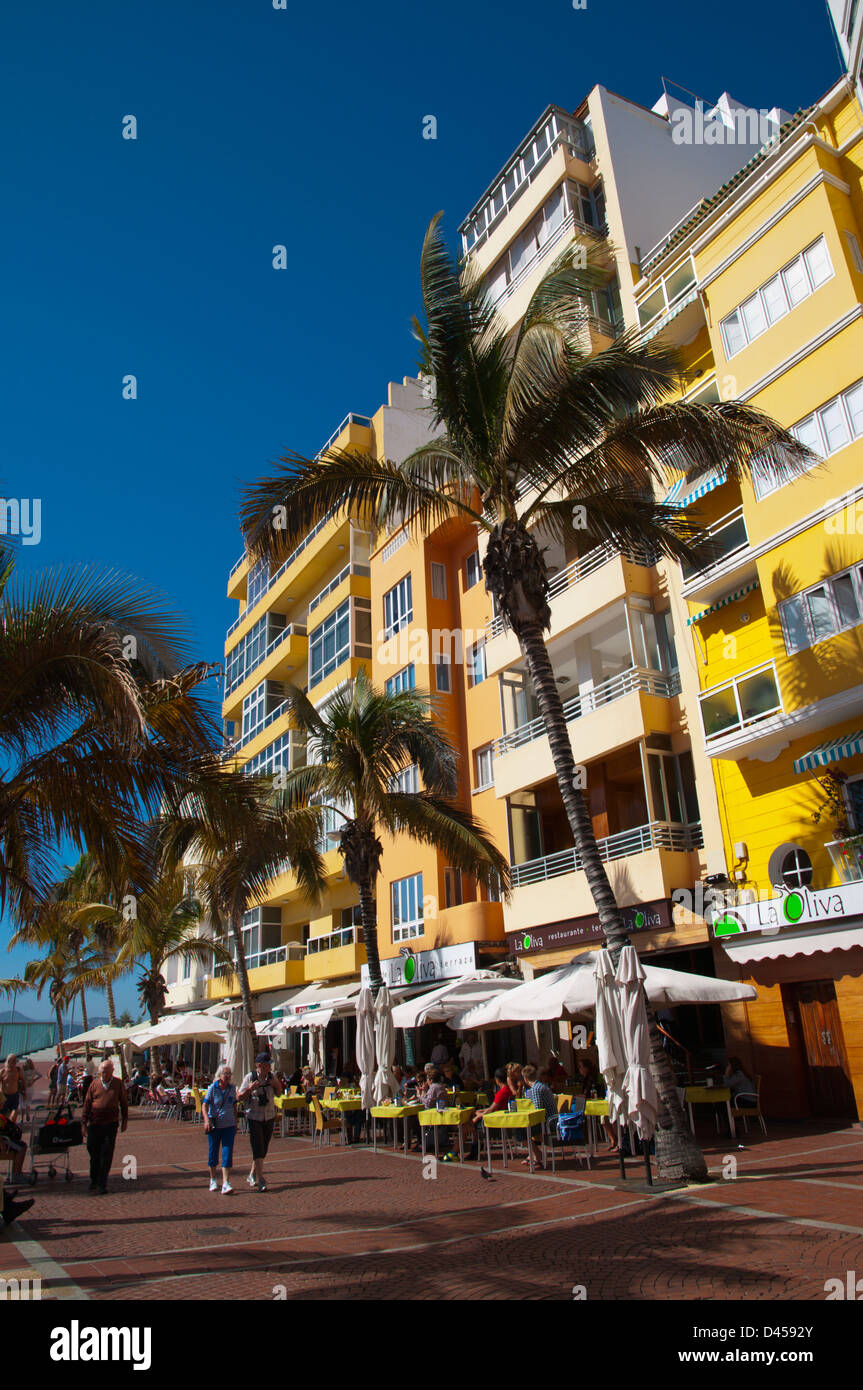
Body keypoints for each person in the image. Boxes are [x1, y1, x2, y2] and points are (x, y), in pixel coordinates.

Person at [81, 1058, 128, 1195]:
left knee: (106, 1154)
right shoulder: (94, 1084)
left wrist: (125, 1120)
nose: (104, 1075)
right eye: (102, 1072)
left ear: (112, 1071)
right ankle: (94, 1179)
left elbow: (123, 1102)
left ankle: (102, 1183)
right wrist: (83, 1123)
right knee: (93, 1152)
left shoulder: (118, 1084)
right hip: (94, 1124)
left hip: (110, 1124)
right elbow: (87, 1104)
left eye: (106, 1072)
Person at [237, 1053, 283, 1192]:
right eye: (267, 1064)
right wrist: (250, 1089)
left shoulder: (271, 1077)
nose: (269, 1066)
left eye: (270, 1064)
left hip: (268, 1116)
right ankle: (261, 1178)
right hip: (254, 1117)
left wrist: (276, 1085)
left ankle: (252, 1174)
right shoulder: (249, 1077)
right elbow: (239, 1097)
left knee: (263, 1148)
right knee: (257, 1147)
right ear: (259, 1065)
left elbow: (279, 1094)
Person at [465, 1067, 515, 1161]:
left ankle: (476, 1145)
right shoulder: (508, 1091)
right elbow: (494, 1108)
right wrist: (481, 1112)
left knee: (471, 1123)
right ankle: (477, 1145)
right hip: (502, 1119)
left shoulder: (501, 1093)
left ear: (497, 1080)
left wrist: (478, 1116)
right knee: (474, 1119)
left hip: (496, 1123)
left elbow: (491, 1110)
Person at [203, 1065, 237, 1194]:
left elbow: (233, 1105)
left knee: (227, 1153)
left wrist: (235, 1121)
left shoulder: (232, 1089)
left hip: (229, 1125)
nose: (228, 1076)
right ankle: (212, 1179)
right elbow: (204, 1105)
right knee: (213, 1152)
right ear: (220, 1075)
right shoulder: (213, 1088)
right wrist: (206, 1120)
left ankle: (226, 1182)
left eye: (229, 1074)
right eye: (225, 1074)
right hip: (215, 1126)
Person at [575, 1058, 616, 1150]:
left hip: (600, 1100)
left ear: (586, 1068)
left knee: (604, 1119)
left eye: (581, 1067)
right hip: (598, 1100)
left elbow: (586, 1092)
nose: (580, 1070)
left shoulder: (590, 1077)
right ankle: (613, 1140)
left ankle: (614, 1140)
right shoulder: (590, 1076)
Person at [522, 1064, 559, 1163]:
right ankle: (534, 1153)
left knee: (520, 1131)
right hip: (551, 1120)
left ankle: (537, 1154)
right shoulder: (541, 1086)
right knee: (523, 1129)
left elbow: (539, 1110)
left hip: (548, 1123)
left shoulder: (535, 1089)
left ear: (525, 1079)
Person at [1, 1055, 25, 1121]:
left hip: (14, 1095)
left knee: (13, 1116)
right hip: (5, 1096)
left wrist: (24, 1092)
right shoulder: (2, 1071)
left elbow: (23, 1081)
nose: (15, 1062)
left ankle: (12, 1128)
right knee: (3, 1117)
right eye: (13, 1061)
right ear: (9, 1061)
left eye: (15, 1060)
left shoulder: (18, 1070)